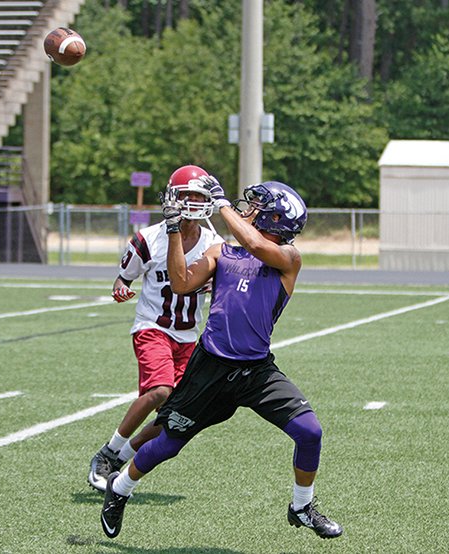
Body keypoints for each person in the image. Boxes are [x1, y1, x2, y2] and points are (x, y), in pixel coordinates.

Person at [100, 177, 343, 540]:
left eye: (257, 206)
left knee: (310, 432)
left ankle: (301, 507)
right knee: (168, 443)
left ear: (275, 218)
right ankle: (118, 489)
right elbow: (181, 283)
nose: (248, 210)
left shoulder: (288, 259)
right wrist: (171, 231)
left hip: (256, 370)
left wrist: (222, 205)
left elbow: (255, 243)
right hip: (210, 367)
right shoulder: (222, 253)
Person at [87, 165, 222, 492]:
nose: (191, 201)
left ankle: (122, 457)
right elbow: (124, 276)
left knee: (175, 419)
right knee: (160, 391)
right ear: (172, 198)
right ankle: (107, 453)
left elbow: (223, 285)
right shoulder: (148, 239)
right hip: (153, 328)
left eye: (197, 196)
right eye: (185, 195)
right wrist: (119, 286)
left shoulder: (213, 242)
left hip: (189, 338)